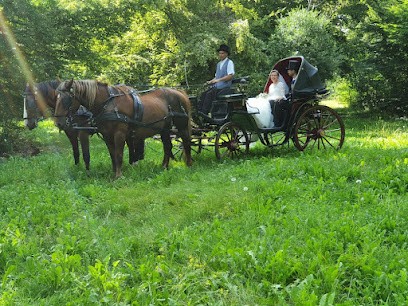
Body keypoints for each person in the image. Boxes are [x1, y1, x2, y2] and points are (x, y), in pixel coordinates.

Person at [198, 44, 235, 115]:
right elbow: (216, 77)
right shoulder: (218, 64)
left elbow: (230, 76)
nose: (220, 55)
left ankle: (204, 113)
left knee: (209, 94)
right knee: (203, 93)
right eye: (220, 53)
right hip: (217, 87)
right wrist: (210, 81)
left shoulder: (229, 63)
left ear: (226, 54)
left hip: (225, 87)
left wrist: (218, 80)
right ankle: (199, 111)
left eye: (222, 53)